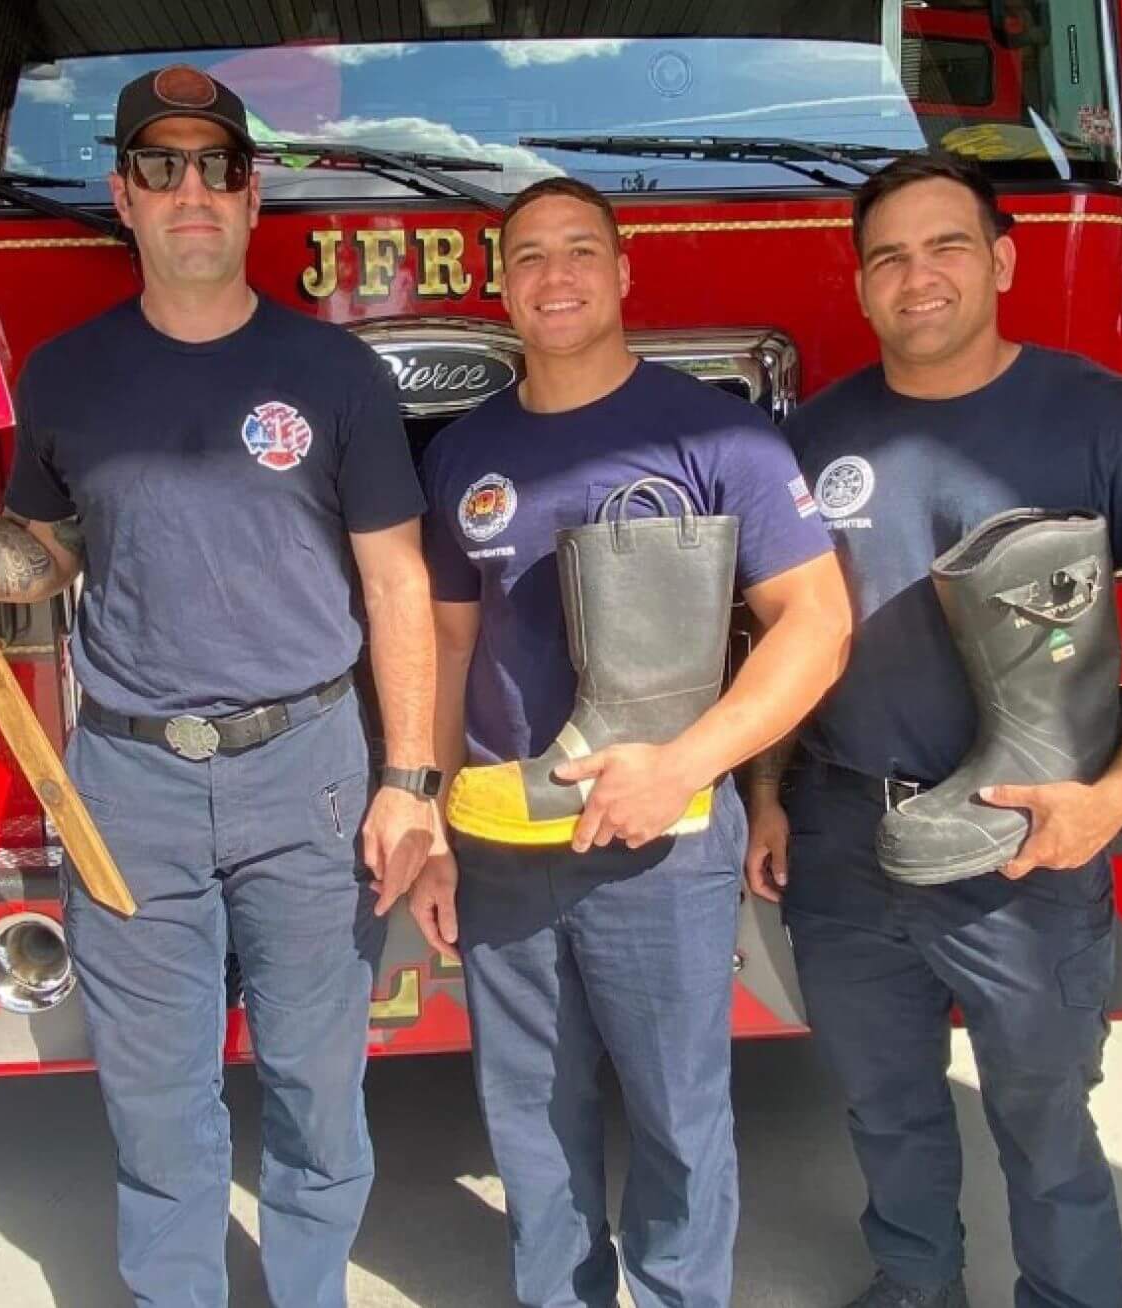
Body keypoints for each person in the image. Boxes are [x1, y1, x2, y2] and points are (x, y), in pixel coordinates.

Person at [0, 65, 443, 1308]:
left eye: (217, 166)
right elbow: (43, 553)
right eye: (162, 167)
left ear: (250, 193)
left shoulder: (335, 377)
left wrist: (408, 783)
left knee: (315, 1086)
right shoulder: (67, 378)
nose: (192, 189)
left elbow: (397, 589)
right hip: (127, 785)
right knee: (156, 1098)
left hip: (311, 780)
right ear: (121, 196)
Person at [748, 154, 1122, 1308]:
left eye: (947, 247)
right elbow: (788, 635)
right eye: (889, 258)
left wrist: (1116, 797)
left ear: (1002, 262)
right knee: (884, 1105)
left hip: (1026, 841)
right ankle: (914, 1288)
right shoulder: (812, 434)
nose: (917, 278)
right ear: (863, 285)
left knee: (1043, 1122)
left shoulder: (1111, 421)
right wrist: (770, 792)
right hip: (840, 833)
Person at [411, 176, 853, 1307]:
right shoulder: (464, 455)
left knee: (676, 1123)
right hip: (507, 845)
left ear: (622, 273)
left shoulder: (717, 433)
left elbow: (816, 622)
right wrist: (432, 817)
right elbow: (451, 651)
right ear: (499, 287)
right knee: (532, 1124)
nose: (554, 277)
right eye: (529, 258)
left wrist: (687, 766)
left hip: (663, 842)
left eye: (579, 252)